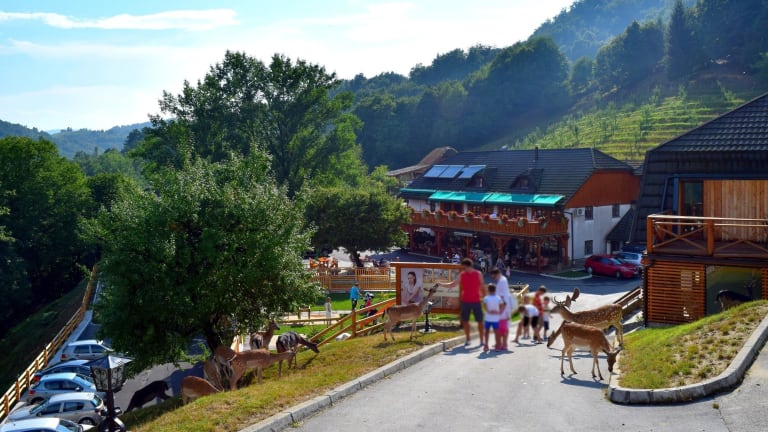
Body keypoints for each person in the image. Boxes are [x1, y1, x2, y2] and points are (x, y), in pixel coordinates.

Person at [439, 258, 486, 346]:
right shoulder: (462, 275)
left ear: (468, 266)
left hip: (476, 301)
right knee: (465, 321)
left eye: (464, 267)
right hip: (465, 301)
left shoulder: (478, 274)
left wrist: (485, 298)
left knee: (480, 321)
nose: (463, 269)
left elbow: (482, 286)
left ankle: (482, 340)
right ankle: (468, 339)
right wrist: (441, 284)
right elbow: (453, 284)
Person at [490, 267, 516, 351]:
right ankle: (501, 343)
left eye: (494, 276)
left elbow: (500, 296)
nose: (493, 278)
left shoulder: (501, 281)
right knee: (504, 326)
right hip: (505, 306)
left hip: (503, 307)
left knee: (502, 326)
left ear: (497, 274)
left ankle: (502, 343)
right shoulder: (503, 279)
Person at [482, 283, 504, 352]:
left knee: (486, 332)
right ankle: (497, 346)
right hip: (496, 318)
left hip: (488, 318)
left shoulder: (486, 298)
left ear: (488, 290)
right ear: (495, 290)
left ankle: (486, 345)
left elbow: (484, 306)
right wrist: (498, 312)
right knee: (496, 332)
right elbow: (502, 306)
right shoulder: (498, 298)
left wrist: (488, 311)